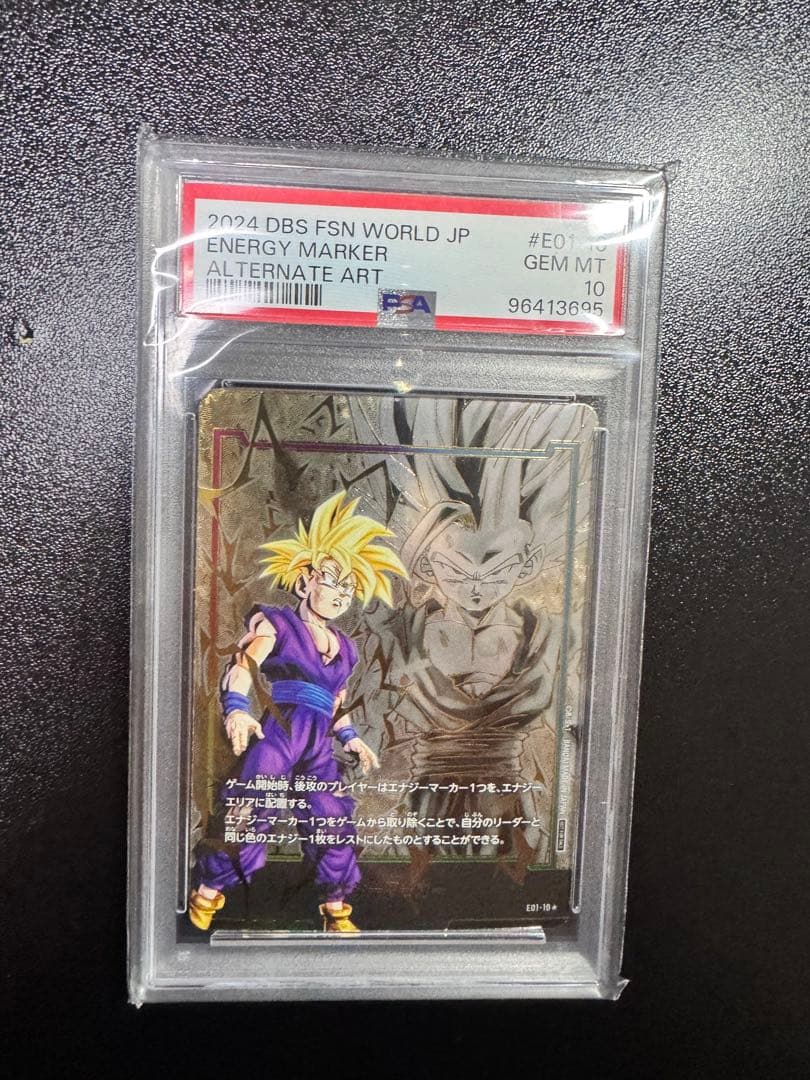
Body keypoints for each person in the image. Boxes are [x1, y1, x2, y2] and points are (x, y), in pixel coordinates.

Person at [189, 491, 407, 933]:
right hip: (280, 732)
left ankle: (336, 909)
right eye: (333, 581)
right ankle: (206, 895)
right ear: (306, 581)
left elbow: (336, 703)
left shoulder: (345, 647)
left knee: (332, 818)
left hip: (318, 746)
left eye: (349, 589)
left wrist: (352, 738)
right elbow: (244, 664)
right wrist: (237, 708)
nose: (341, 595)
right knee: (251, 804)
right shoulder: (278, 623)